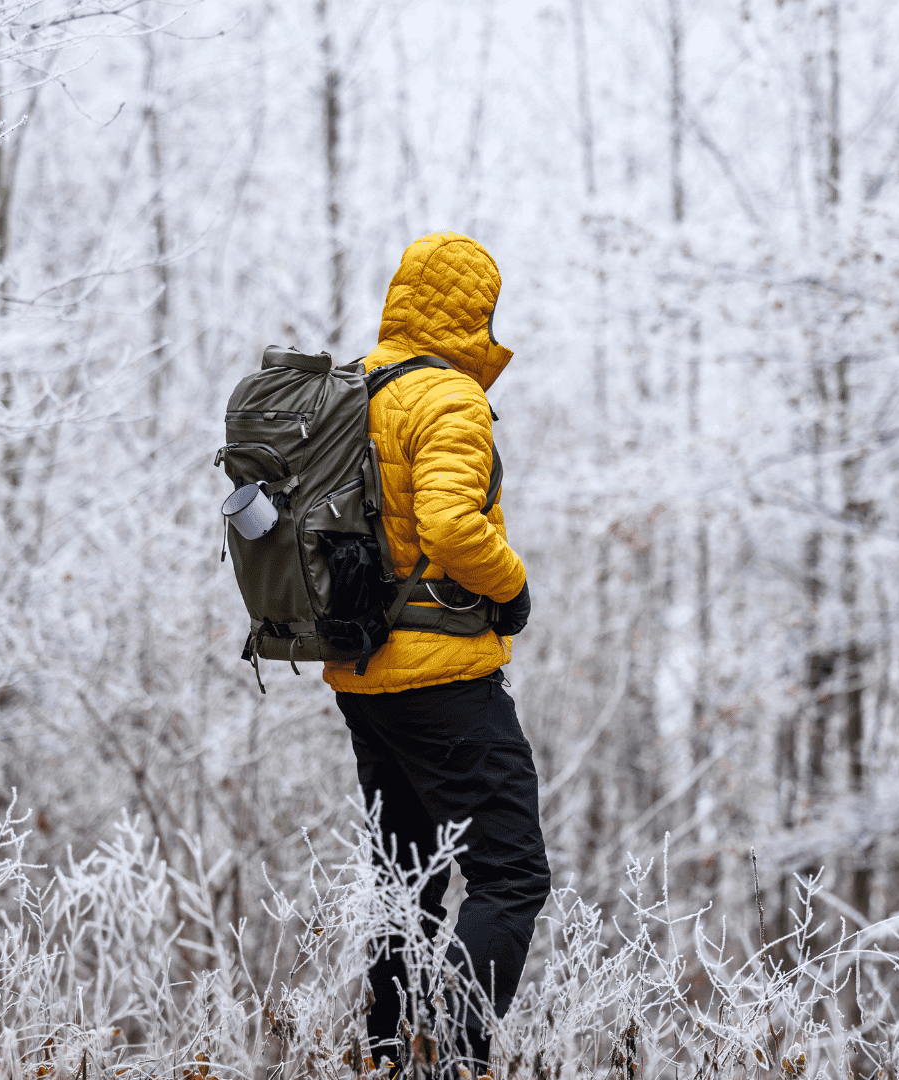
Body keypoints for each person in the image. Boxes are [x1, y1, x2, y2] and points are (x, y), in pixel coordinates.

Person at [325, 232, 548, 1075]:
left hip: (363, 674)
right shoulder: (446, 398)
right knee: (511, 875)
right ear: (473, 314)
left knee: (406, 875)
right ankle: (452, 1058)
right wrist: (512, 583)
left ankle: (384, 1055)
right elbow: (455, 526)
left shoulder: (352, 389)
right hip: (445, 676)